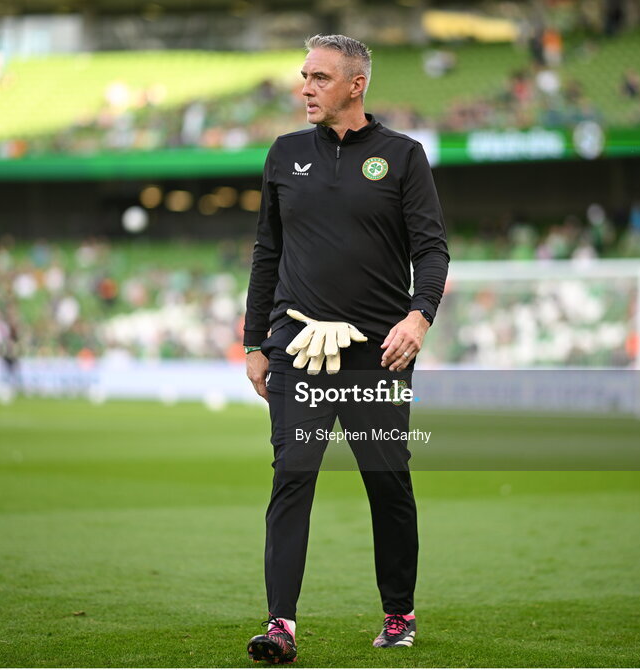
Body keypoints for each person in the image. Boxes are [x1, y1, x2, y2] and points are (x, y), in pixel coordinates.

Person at [243, 34, 449, 664]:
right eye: (304, 75)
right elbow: (266, 253)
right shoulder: (283, 155)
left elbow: (431, 250)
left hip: (376, 356)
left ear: (356, 85)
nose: (306, 87)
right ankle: (280, 625)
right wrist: (254, 341)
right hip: (297, 348)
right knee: (292, 476)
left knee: (387, 482)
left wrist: (419, 317)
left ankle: (399, 613)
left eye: (320, 78)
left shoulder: (403, 157)